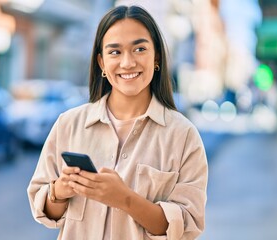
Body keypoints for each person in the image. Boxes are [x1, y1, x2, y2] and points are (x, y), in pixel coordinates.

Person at [27, 5, 208, 240]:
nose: (127, 63)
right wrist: (60, 191)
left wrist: (124, 198)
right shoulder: (68, 124)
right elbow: (43, 211)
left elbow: (186, 227)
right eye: (115, 52)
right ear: (101, 63)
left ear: (157, 58)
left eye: (139, 49)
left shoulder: (183, 136)